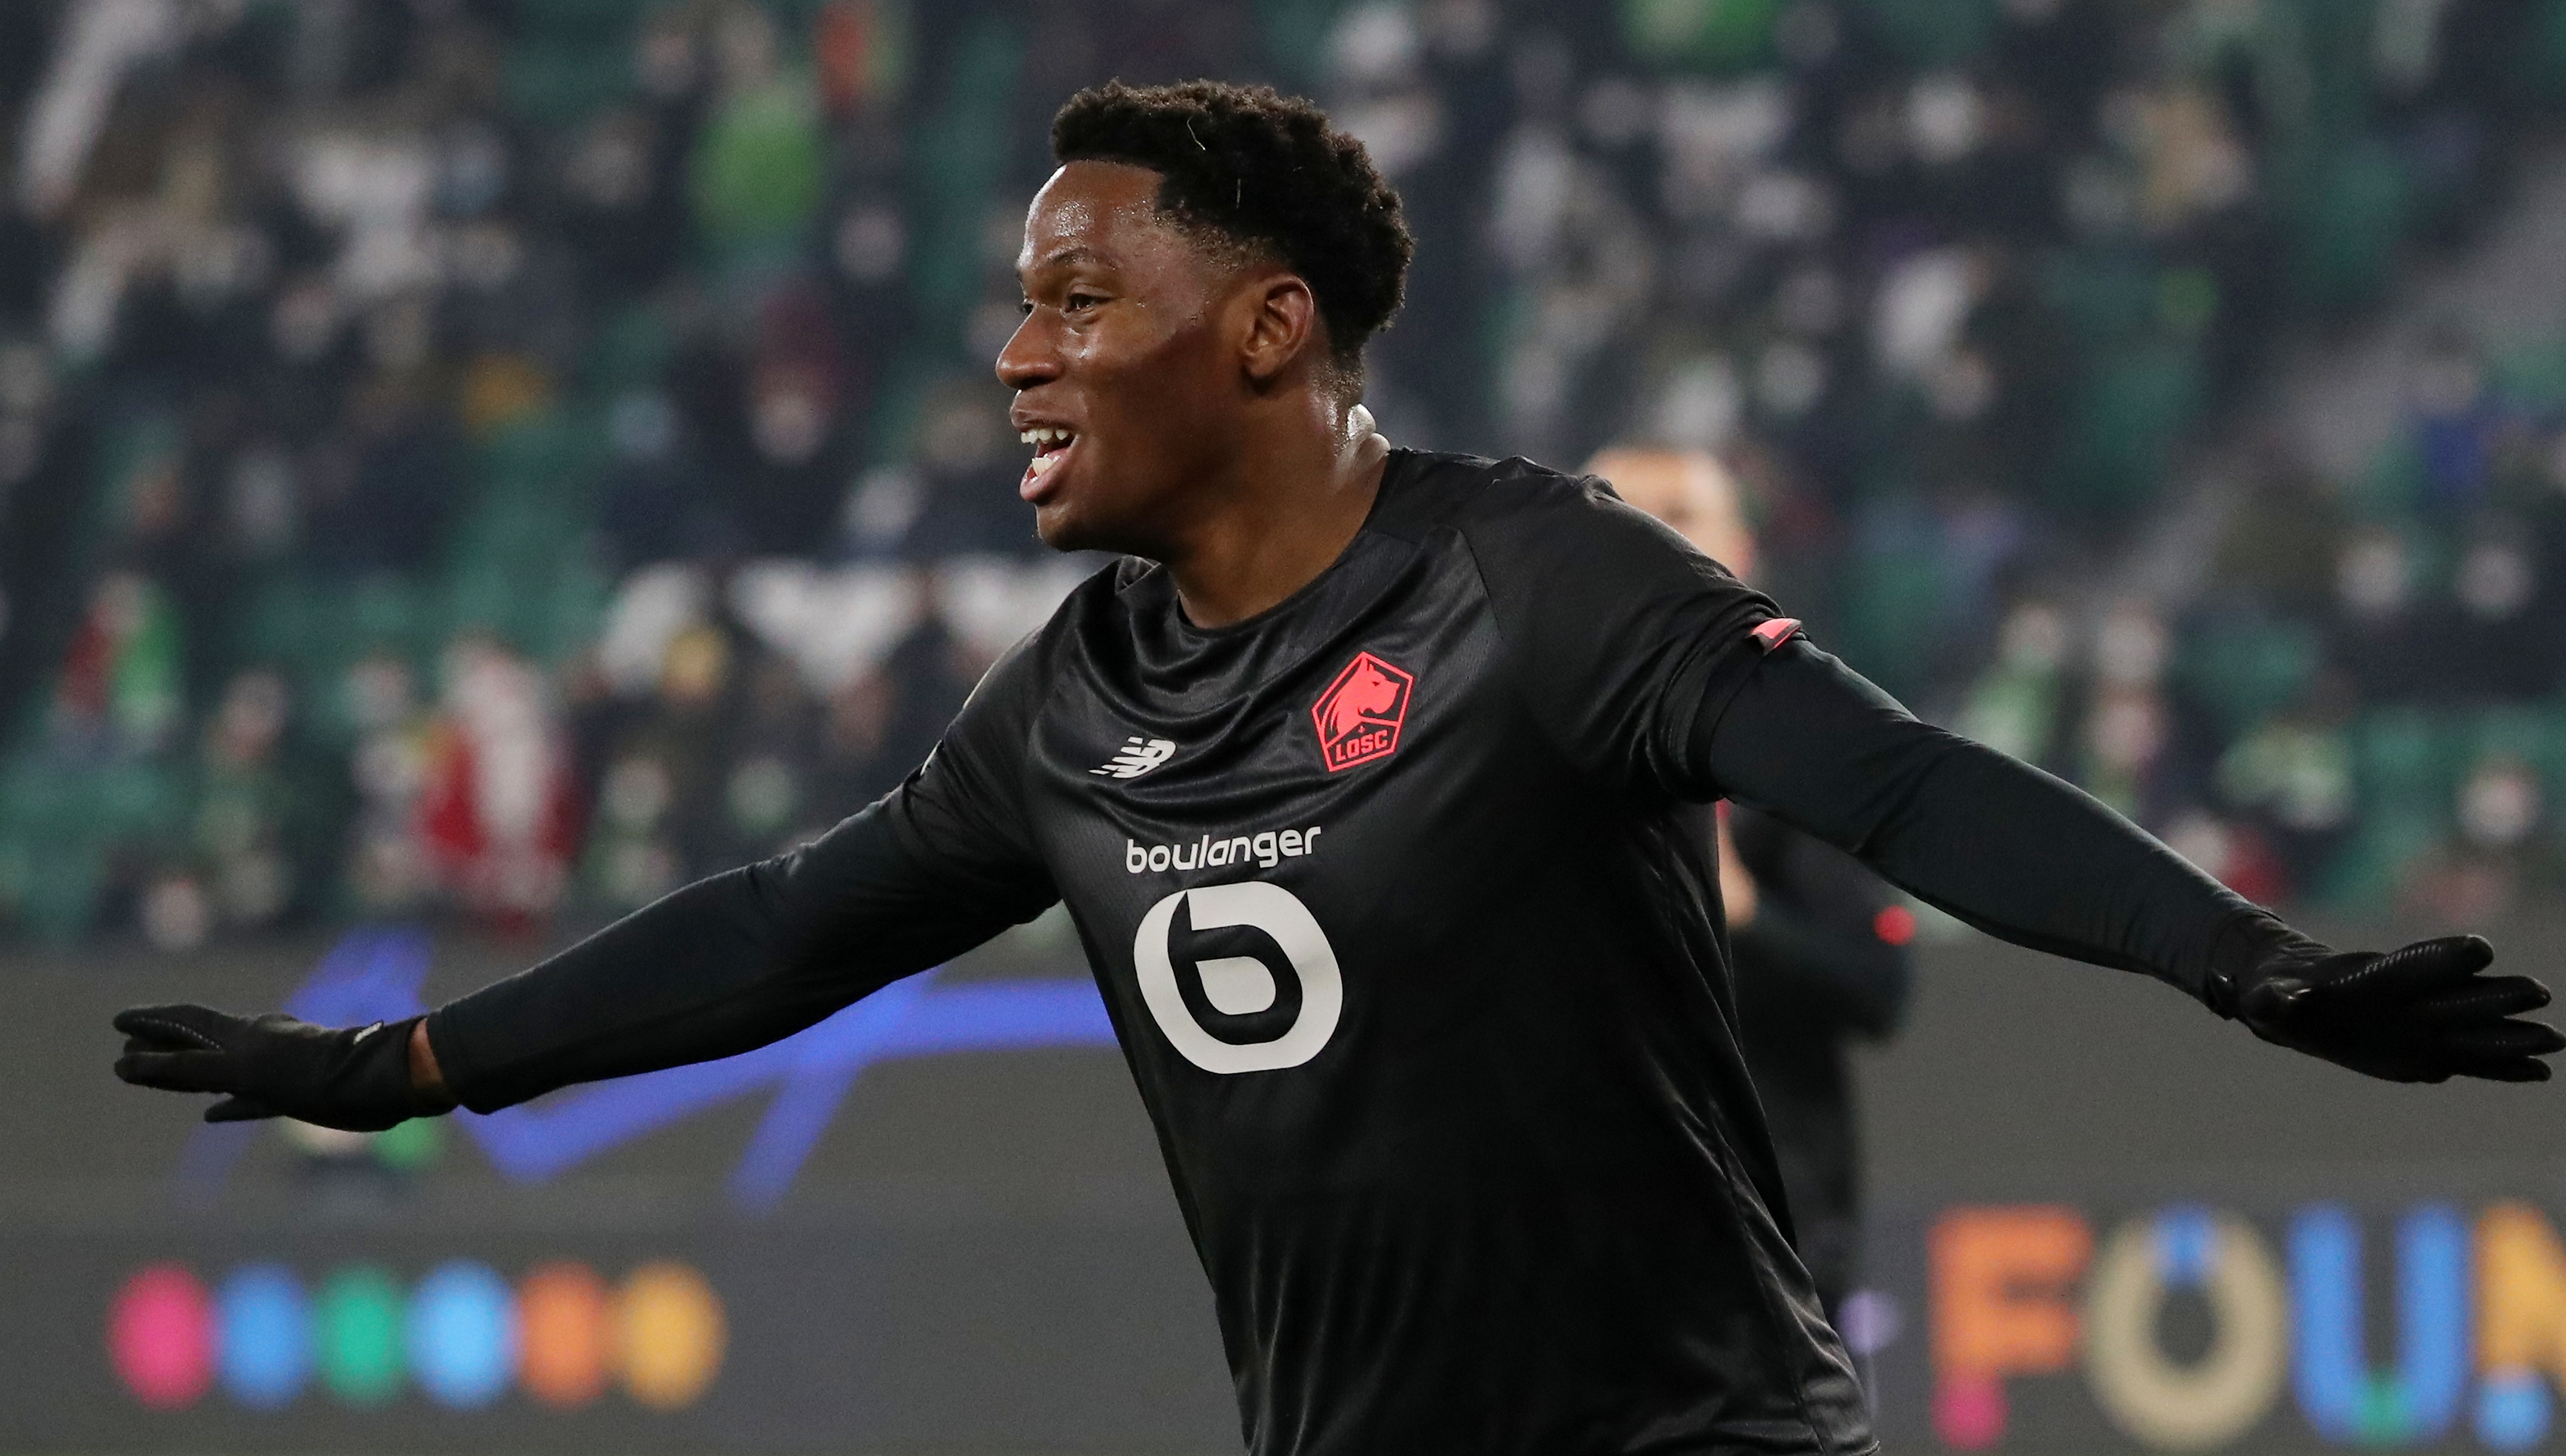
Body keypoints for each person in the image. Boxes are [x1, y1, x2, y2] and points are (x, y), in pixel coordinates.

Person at [115, 81, 2557, 1456]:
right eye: (1016, 300)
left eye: (1083, 294)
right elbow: (781, 925)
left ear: (1268, 328)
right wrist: (389, 1061)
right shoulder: (1073, 691)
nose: (1018, 353)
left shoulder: (1536, 582)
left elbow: (1900, 786)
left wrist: (2255, 965)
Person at [1586, 444, 1911, 1320]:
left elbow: (1878, 985)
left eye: (1679, 514)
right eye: (1610, 508)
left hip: (1765, 1255)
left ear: (1741, 549)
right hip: (1565, 1257)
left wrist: (1745, 913)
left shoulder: (1801, 757)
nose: (1644, 534)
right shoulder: (1494, 746)